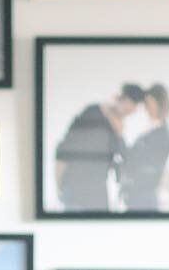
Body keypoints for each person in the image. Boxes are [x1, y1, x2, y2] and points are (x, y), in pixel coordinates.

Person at [54, 83, 142, 212]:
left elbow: (124, 158)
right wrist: (59, 186)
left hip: (98, 193)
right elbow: (63, 152)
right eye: (129, 108)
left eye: (132, 111)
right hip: (75, 190)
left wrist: (119, 134)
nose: (129, 114)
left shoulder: (117, 128)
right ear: (122, 100)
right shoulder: (91, 113)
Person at [119, 83, 169, 213]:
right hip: (136, 197)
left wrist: (118, 135)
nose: (146, 108)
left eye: (149, 103)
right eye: (146, 104)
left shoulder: (162, 134)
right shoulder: (149, 130)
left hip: (144, 198)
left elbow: (139, 161)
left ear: (159, 104)